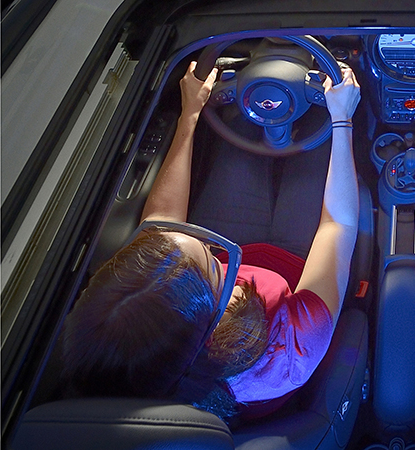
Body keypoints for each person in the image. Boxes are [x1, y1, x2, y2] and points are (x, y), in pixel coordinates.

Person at [61, 59, 362, 425]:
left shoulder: (148, 330)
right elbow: (337, 225)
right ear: (215, 313)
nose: (200, 242)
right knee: (320, 132)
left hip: (238, 241)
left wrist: (189, 114)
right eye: (208, 257)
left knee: (239, 123)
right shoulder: (291, 351)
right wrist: (342, 120)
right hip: (300, 264)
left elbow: (163, 225)